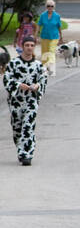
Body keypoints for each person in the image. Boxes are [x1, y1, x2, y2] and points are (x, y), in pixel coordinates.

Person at [3, 35, 47, 165]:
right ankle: (21, 149)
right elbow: (7, 79)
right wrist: (18, 85)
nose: (29, 48)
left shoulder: (38, 65)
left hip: (32, 100)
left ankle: (27, 154)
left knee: (28, 126)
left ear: (34, 47)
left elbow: (43, 79)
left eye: (32, 45)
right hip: (16, 101)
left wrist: (37, 85)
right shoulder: (13, 63)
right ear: (22, 47)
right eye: (27, 45)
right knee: (17, 127)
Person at [36, 0, 63, 78]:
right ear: (46, 7)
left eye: (51, 6)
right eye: (48, 6)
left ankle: (52, 69)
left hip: (54, 37)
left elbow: (59, 26)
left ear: (54, 7)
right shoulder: (43, 15)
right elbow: (39, 25)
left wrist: (61, 36)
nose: (50, 7)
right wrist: (35, 36)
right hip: (44, 36)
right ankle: (45, 69)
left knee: (51, 52)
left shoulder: (57, 16)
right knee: (44, 53)